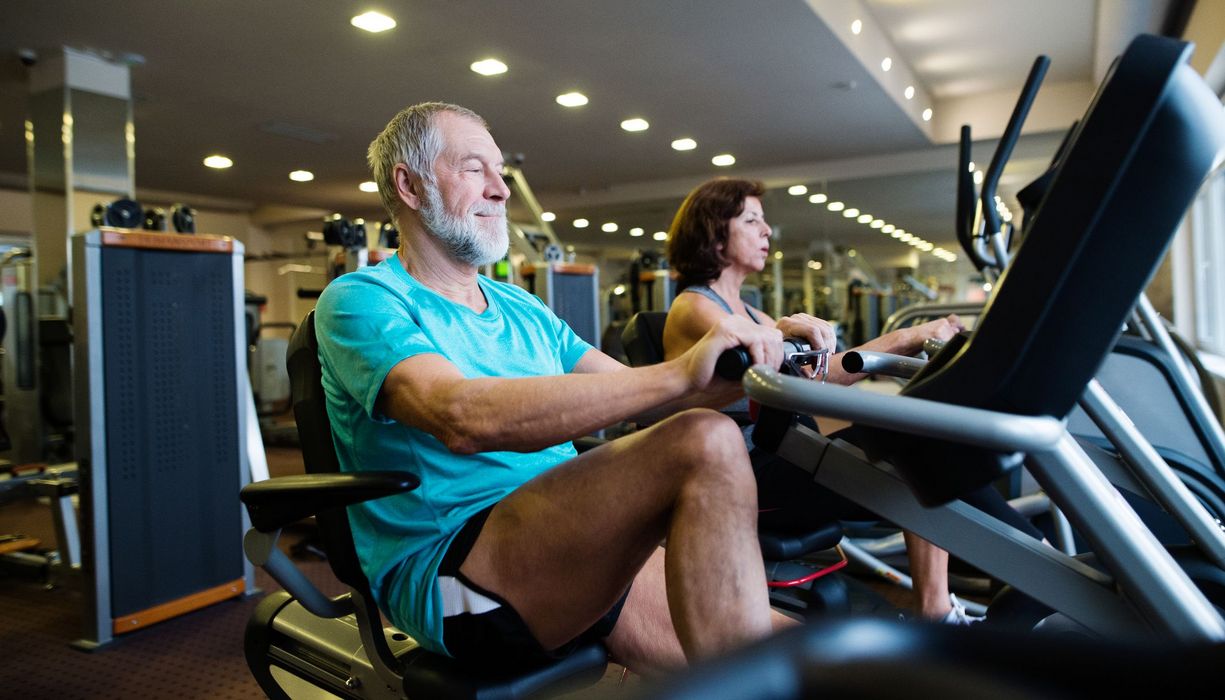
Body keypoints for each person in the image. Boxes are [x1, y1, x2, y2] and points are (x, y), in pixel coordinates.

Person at [313, 103, 797, 676]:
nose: (500, 190)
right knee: (705, 440)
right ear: (409, 185)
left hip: (563, 532)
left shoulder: (521, 305)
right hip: (457, 570)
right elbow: (461, 416)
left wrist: (769, 358)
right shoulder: (362, 298)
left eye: (500, 172)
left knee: (809, 660)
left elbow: (647, 395)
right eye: (474, 169)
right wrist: (680, 371)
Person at [663, 177, 1046, 623]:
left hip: (783, 456)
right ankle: (1015, 572)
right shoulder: (694, 307)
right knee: (913, 451)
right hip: (743, 478)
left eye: (765, 221)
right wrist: (898, 336)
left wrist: (908, 339)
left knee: (919, 437)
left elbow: (816, 377)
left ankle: (995, 581)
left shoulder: (752, 312)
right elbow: (761, 358)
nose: (767, 231)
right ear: (713, 233)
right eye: (752, 220)